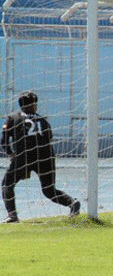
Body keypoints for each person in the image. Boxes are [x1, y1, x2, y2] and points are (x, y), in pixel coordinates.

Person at [1, 91, 80, 223]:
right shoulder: (42, 120)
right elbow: (49, 137)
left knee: (7, 184)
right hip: (46, 156)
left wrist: (11, 154)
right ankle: (72, 203)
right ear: (34, 105)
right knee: (49, 190)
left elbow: (4, 140)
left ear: (21, 105)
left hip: (24, 156)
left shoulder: (12, 118)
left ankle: (12, 215)